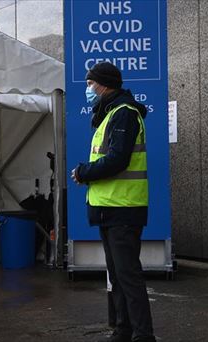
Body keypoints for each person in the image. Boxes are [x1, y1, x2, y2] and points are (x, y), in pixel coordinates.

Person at [71, 62, 156, 342]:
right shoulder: (110, 114)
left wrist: (84, 172)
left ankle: (143, 335)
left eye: (90, 83)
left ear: (104, 84)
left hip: (123, 208)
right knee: (117, 276)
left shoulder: (124, 114)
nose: (88, 88)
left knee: (128, 275)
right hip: (109, 207)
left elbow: (118, 160)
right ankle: (123, 329)